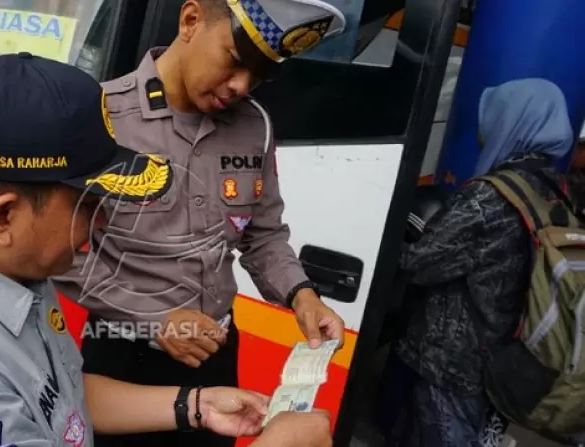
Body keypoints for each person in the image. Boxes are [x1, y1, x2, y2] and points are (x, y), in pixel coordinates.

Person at [0, 53, 335, 447]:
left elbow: (65, 400)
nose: (98, 230)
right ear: (3, 217)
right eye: (88, 206)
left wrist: (196, 406)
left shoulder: (12, 282)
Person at [51, 1, 348, 445]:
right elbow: (57, 251)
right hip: (123, 365)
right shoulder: (103, 118)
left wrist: (302, 295)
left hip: (217, 362)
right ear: (190, 20)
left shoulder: (255, 127)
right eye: (235, 59)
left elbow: (263, 235)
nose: (242, 85)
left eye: (261, 73)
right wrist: (153, 318)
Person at [383, 77, 575, 447]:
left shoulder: (489, 197)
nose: (484, 131)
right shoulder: (556, 191)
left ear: (514, 122)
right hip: (511, 356)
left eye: (494, 118)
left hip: (455, 364)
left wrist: (406, 229)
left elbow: (420, 264)